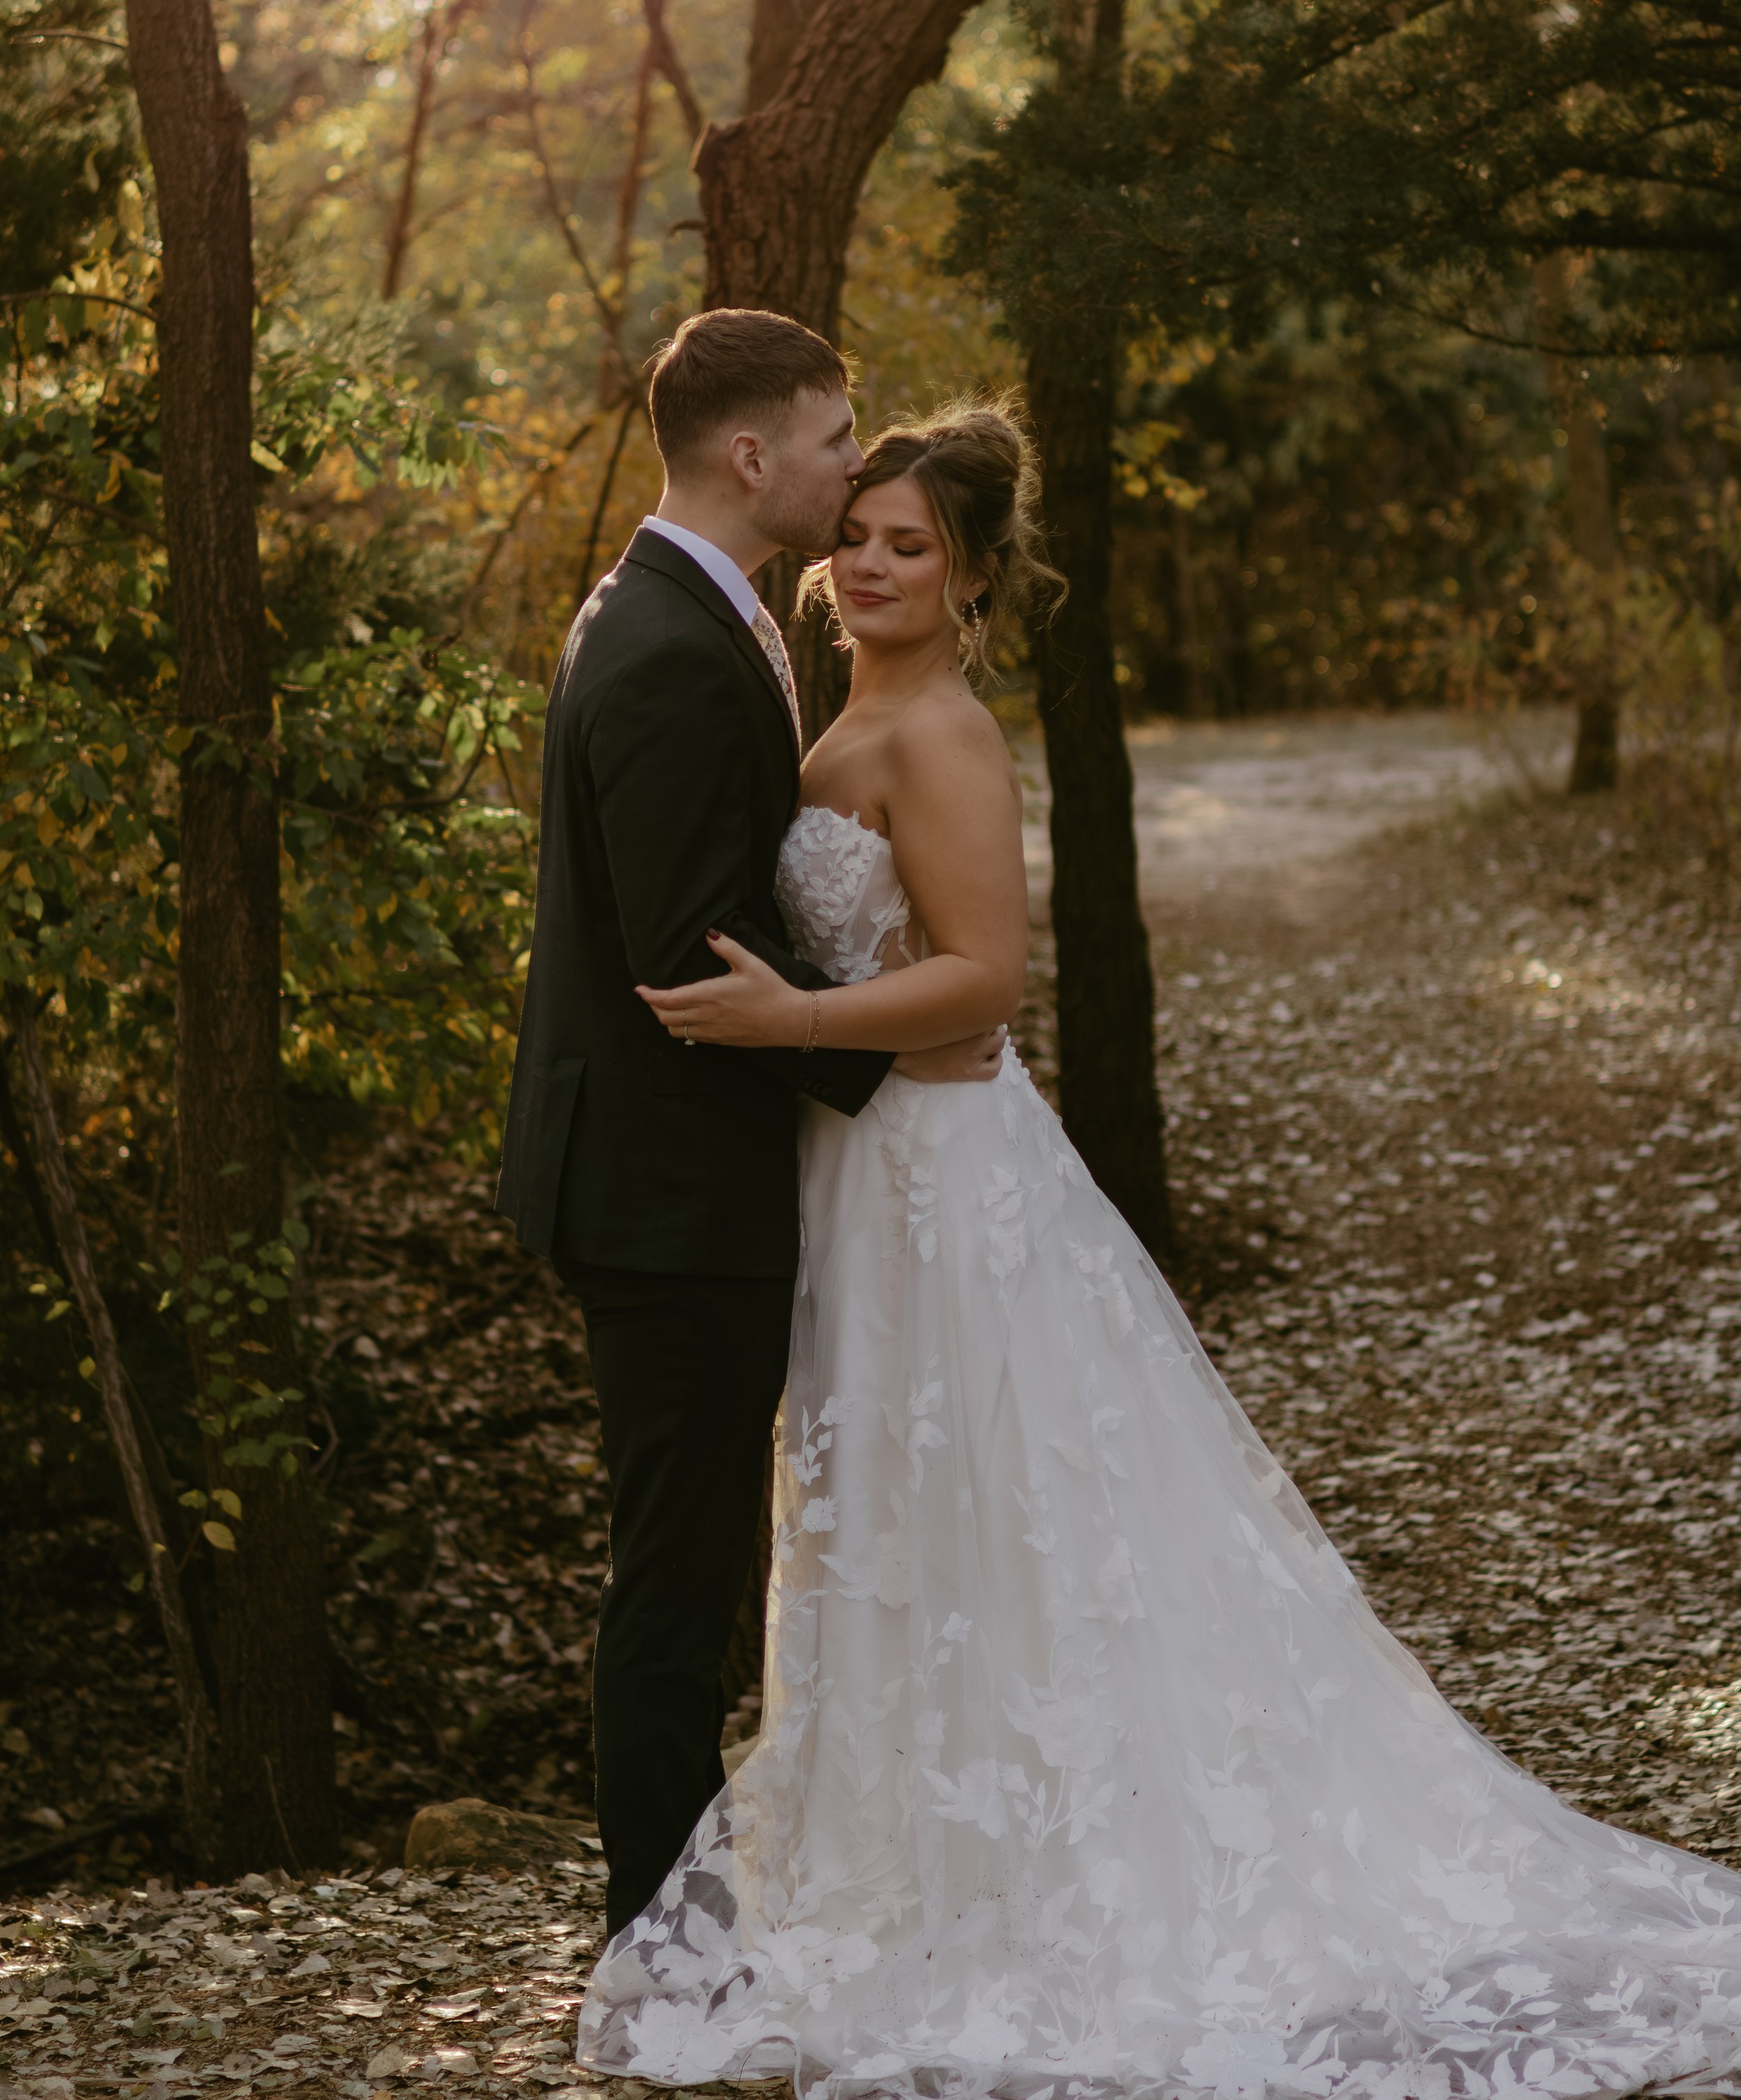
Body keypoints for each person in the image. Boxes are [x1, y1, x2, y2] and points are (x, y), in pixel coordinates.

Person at [578, 394, 1741, 2100]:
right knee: (894, 1533)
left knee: (1000, 1518)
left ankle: (1056, 1882)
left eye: (913, 547)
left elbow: (983, 988)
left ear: (970, 581)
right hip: (852, 1187)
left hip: (941, 1185)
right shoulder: (827, 708)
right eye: (862, 536)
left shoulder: (945, 735)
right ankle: (912, 1874)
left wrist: (789, 1020)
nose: (873, 563)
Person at [494, 311, 1005, 1943]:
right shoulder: (661, 644)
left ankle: (726, 1919)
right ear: (750, 454)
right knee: (676, 1586)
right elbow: (680, 946)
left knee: (718, 1561)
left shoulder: (687, 614)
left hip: (717, 1175)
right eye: (836, 440)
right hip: (663, 1197)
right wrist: (882, 1052)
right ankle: (664, 1951)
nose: (854, 465)